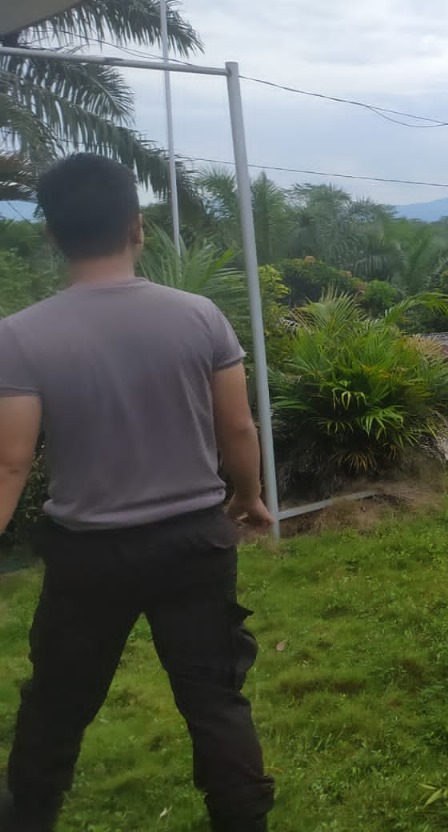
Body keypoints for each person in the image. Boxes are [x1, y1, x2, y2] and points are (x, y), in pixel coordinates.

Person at [0, 154, 276, 832]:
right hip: (192, 541)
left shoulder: (20, 336)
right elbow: (237, 425)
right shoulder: (199, 316)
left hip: (86, 554)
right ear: (137, 227)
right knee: (214, 698)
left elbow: (10, 463)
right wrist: (248, 497)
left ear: (53, 236)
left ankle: (27, 817)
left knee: (58, 701)